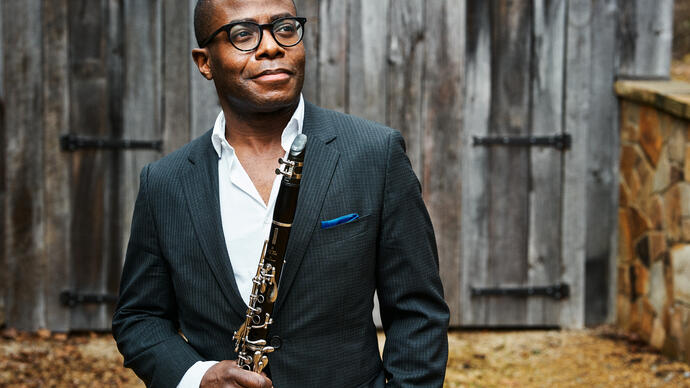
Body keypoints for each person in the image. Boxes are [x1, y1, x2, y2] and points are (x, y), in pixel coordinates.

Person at [112, 0, 449, 387]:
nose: (271, 46)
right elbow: (140, 318)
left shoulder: (375, 154)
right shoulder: (165, 182)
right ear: (204, 62)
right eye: (242, 35)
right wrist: (197, 376)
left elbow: (418, 311)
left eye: (285, 28)